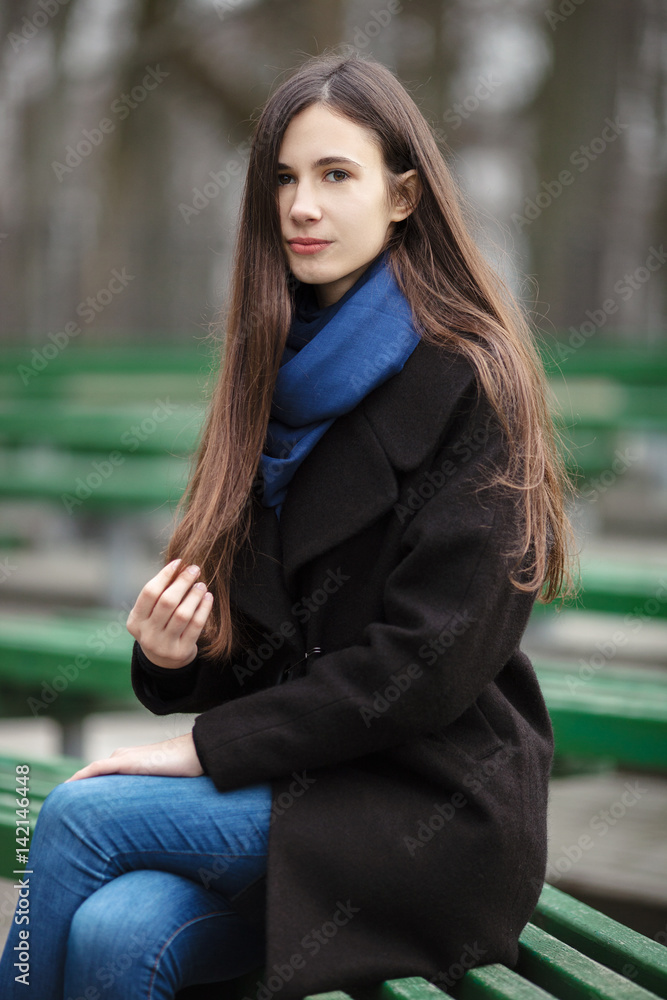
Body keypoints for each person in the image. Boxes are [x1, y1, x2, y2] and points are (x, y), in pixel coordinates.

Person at [0, 49, 576, 1000]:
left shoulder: (474, 382)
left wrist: (203, 747)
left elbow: (423, 669)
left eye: (334, 175)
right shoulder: (273, 382)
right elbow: (276, 647)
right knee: (113, 933)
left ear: (401, 197)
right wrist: (181, 655)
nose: (300, 205)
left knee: (75, 814)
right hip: (304, 790)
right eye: (282, 178)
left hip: (425, 807)